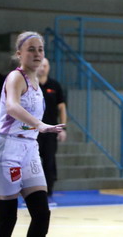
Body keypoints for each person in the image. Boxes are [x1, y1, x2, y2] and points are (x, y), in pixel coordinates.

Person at [0, 31, 65, 237]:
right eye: (31, 49)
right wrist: (39, 125)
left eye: (40, 49)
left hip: (29, 149)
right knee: (7, 219)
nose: (37, 53)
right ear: (19, 53)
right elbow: (12, 106)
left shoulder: (37, 83)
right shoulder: (16, 77)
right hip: (7, 148)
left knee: (42, 214)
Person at [36, 57, 67, 201]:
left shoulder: (55, 85)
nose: (42, 68)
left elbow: (62, 107)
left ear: (48, 68)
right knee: (33, 161)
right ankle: (33, 190)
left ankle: (48, 190)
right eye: (40, 65)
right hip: (34, 130)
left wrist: (63, 128)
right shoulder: (31, 84)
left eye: (45, 65)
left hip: (51, 130)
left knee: (49, 161)